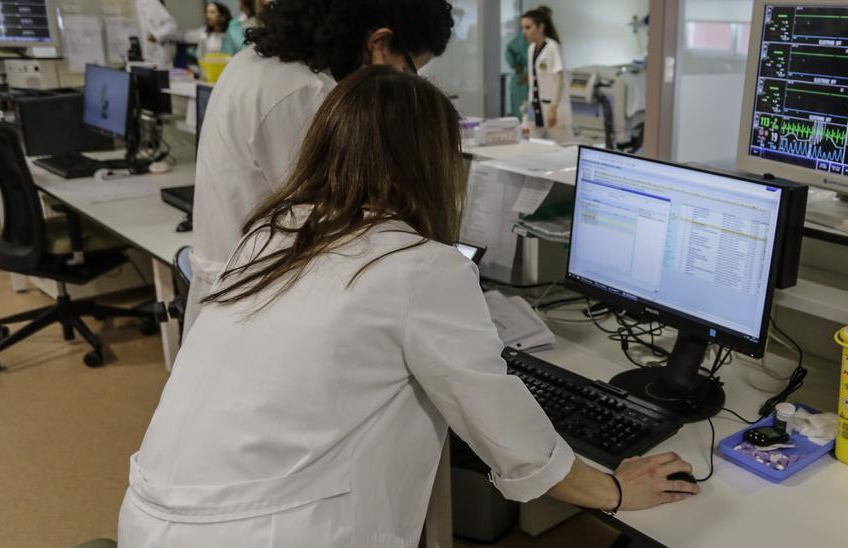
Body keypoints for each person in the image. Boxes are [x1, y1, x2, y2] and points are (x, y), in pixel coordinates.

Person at [118, 65, 698, 545]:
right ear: (433, 165)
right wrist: (614, 489)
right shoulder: (419, 268)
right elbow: (507, 432)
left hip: (150, 515)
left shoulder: (269, 232)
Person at [184, 0, 456, 335]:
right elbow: (345, 230)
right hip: (259, 307)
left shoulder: (252, 63)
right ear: (380, 43)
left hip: (236, 290)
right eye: (413, 69)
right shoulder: (306, 94)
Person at [522, 6, 573, 141]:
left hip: (553, 107)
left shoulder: (552, 47)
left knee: (564, 147)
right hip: (535, 107)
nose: (524, 32)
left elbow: (559, 79)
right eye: (523, 28)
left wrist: (553, 108)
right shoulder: (531, 48)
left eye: (528, 27)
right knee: (525, 140)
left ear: (540, 27)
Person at [135, 0, 178, 69]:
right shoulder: (139, 2)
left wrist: (156, 36)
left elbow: (171, 26)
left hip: (159, 59)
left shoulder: (150, 2)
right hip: (148, 58)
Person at [504, 25, 528, 119]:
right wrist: (518, 68)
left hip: (534, 80)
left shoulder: (549, 44)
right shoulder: (522, 39)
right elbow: (509, 52)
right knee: (520, 115)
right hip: (521, 80)